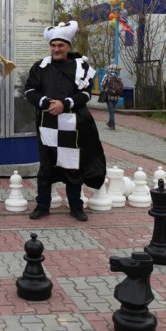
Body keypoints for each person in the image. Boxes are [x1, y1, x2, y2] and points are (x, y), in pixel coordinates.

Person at [24, 20, 106, 222]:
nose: (56, 49)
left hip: (73, 125)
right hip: (47, 124)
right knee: (46, 166)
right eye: (53, 45)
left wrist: (65, 104)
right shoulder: (40, 66)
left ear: (68, 47)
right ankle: (42, 206)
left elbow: (86, 94)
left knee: (72, 165)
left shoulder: (81, 66)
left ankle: (76, 207)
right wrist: (45, 102)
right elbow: (29, 90)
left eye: (60, 45)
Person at [100, 63, 124, 130]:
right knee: (112, 110)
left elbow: (102, 84)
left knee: (111, 111)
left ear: (109, 69)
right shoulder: (118, 76)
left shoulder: (107, 75)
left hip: (109, 95)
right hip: (116, 96)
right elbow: (121, 86)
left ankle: (112, 125)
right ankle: (109, 123)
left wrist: (106, 89)